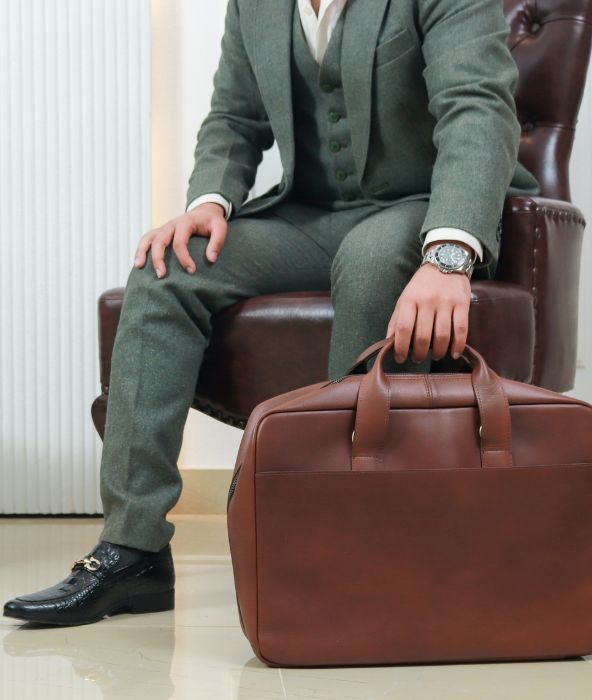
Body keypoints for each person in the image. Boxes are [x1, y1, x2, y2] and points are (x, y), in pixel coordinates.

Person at [3, 0, 540, 626]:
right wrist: (211, 199)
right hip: (313, 215)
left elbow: (477, 105)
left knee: (370, 267)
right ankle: (133, 549)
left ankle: (353, 545)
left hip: (423, 206)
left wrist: (449, 254)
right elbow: (233, 116)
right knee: (167, 268)